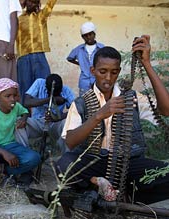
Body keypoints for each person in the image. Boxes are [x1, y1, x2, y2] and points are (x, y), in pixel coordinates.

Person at [57, 36, 169, 204]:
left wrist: (146, 63)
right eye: (103, 71)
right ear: (93, 70)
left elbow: (166, 110)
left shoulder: (132, 99)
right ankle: (97, 183)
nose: (108, 78)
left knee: (164, 173)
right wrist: (98, 116)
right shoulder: (81, 104)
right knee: (64, 164)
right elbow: (70, 142)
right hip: (95, 163)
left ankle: (126, 196)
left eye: (114, 72)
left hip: (129, 163)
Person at [16, 74, 75, 154]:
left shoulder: (66, 90)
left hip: (55, 124)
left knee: (67, 123)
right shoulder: (39, 83)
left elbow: (76, 110)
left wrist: (59, 117)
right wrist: (50, 99)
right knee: (18, 122)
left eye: (57, 93)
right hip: (37, 122)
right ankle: (24, 154)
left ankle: (65, 156)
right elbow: (26, 102)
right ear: (46, 88)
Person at [16, 0, 57, 105]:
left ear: (37, 4)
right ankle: (25, 116)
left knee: (44, 85)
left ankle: (44, 116)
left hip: (39, 55)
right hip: (23, 56)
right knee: (24, 88)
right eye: (29, 1)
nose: (31, 4)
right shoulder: (18, 18)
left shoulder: (42, 16)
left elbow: (50, 4)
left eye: (34, 2)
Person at [67, 21, 104, 96]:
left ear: (94, 34)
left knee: (99, 102)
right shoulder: (79, 49)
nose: (88, 37)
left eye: (90, 34)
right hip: (84, 81)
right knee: (84, 103)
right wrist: (80, 64)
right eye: (85, 36)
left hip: (98, 80)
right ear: (82, 37)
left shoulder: (101, 48)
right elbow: (70, 58)